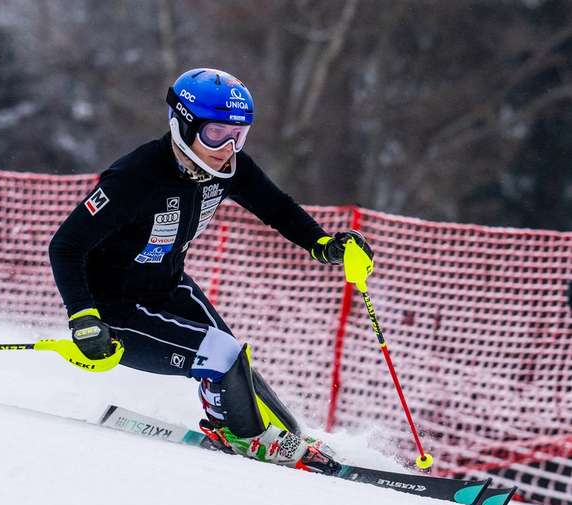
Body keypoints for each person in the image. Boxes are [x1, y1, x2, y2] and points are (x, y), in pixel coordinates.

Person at [49, 67, 373, 473]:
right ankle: (245, 437)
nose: (228, 148)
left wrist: (322, 244)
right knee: (221, 356)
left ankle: (274, 431)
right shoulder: (135, 176)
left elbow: (275, 206)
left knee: (236, 363)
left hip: (166, 287)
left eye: (239, 135)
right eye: (217, 133)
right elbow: (66, 245)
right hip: (114, 310)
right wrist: (82, 315)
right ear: (184, 125)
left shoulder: (229, 167)